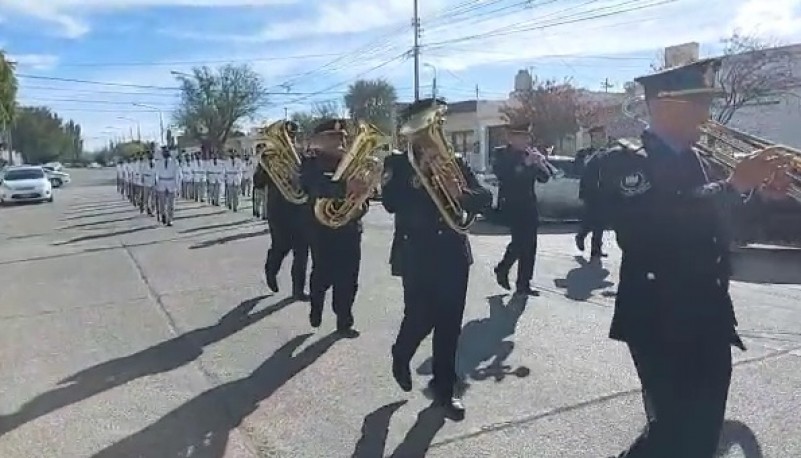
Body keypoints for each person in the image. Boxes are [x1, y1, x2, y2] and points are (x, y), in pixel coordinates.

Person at [597, 58, 790, 458]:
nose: (708, 113)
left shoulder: (703, 161)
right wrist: (733, 186)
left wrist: (760, 198)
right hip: (658, 318)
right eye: (699, 103)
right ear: (664, 106)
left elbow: (730, 232)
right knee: (673, 433)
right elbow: (650, 232)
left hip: (710, 314)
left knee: (701, 433)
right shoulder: (627, 161)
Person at [383, 98, 492, 419]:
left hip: (453, 253)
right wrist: (421, 179)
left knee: (449, 324)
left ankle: (445, 390)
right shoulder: (399, 163)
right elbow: (390, 203)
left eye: (432, 127)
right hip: (415, 251)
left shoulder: (455, 162)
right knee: (419, 316)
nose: (429, 135)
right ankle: (401, 353)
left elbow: (484, 199)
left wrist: (460, 194)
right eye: (422, 128)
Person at [300, 118, 368, 339]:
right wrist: (343, 187)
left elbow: (362, 196)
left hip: (349, 227)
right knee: (322, 273)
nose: (340, 140)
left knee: (349, 278)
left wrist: (360, 205)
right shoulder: (311, 161)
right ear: (320, 140)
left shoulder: (352, 162)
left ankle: (344, 321)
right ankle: (316, 305)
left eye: (342, 137)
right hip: (321, 228)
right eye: (333, 136)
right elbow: (313, 186)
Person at [492, 123, 554, 295]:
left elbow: (545, 178)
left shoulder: (529, 154)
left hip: (529, 204)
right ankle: (503, 268)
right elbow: (505, 176)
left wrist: (541, 163)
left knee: (530, 244)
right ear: (510, 138)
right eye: (520, 137)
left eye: (526, 137)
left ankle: (523, 284)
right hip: (511, 204)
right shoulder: (501, 154)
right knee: (520, 242)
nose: (524, 141)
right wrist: (526, 164)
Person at [264, 121, 310, 301]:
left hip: (300, 209)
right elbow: (258, 182)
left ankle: (298, 290)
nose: (290, 140)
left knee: (302, 251)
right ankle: (271, 270)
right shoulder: (270, 158)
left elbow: (310, 180)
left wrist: (300, 178)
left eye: (292, 136)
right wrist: (266, 166)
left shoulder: (304, 157)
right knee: (281, 247)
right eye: (287, 136)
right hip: (278, 210)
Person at [575, 126, 610, 260]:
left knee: (601, 222)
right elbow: (579, 169)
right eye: (597, 136)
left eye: (602, 136)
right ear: (591, 138)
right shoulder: (584, 153)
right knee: (590, 219)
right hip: (590, 192)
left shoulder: (607, 153)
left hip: (604, 192)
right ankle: (581, 236)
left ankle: (596, 249)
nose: (600, 139)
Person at [156, 147, 181, 226]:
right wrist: (156, 184)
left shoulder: (174, 162)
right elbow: (156, 174)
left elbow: (177, 175)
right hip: (161, 183)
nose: (165, 154)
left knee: (171, 203)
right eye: (164, 152)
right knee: (162, 203)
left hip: (171, 182)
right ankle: (163, 214)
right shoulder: (159, 163)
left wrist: (177, 187)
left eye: (167, 152)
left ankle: (170, 219)